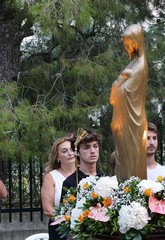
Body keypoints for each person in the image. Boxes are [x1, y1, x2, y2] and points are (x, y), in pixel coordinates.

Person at [110, 24, 148, 180]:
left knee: (133, 160)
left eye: (129, 44)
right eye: (125, 45)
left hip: (133, 121)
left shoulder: (140, 65)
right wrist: (118, 83)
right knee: (123, 159)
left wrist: (117, 84)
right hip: (124, 120)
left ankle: (133, 192)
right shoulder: (132, 63)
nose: (127, 47)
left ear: (136, 42)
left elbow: (126, 92)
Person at [41, 136, 76, 240]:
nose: (70, 153)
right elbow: (48, 209)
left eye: (72, 149)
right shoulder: (51, 177)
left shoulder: (84, 173)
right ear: (57, 157)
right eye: (65, 151)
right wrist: (69, 220)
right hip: (60, 230)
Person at [61, 128, 105, 199]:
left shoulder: (105, 178)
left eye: (95, 146)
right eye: (86, 147)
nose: (92, 151)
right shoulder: (69, 183)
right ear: (77, 152)